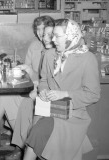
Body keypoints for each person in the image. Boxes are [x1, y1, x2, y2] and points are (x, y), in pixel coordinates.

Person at [23, 18, 101, 160]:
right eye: (53, 35)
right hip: (48, 108)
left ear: (71, 36)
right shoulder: (49, 55)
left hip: (73, 113)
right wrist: (44, 91)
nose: (53, 40)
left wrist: (64, 94)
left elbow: (93, 94)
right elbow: (44, 80)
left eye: (57, 36)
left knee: (38, 132)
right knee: (36, 133)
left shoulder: (88, 59)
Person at [0, 16, 55, 160]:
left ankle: (21, 147)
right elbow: (30, 74)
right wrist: (23, 69)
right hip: (33, 87)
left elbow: (48, 80)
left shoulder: (54, 50)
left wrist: (33, 80)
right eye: (38, 29)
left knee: (17, 102)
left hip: (43, 93)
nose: (41, 33)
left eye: (45, 30)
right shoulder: (35, 46)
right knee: (4, 97)